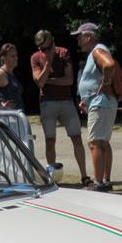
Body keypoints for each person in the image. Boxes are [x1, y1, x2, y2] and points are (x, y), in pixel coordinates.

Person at [30, 29, 89, 186]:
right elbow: (39, 82)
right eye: (42, 49)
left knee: (76, 137)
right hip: (47, 102)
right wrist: (48, 63)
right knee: (50, 141)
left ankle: (84, 176)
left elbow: (69, 80)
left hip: (66, 101)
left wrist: (48, 80)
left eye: (48, 48)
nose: (45, 51)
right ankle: (52, 179)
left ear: (53, 42)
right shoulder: (35, 57)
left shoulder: (64, 53)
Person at [73, 22, 117, 192]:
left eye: (79, 37)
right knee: (103, 142)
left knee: (95, 143)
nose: (78, 41)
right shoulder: (98, 50)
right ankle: (105, 181)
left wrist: (105, 84)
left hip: (101, 103)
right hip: (102, 103)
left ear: (88, 37)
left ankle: (98, 184)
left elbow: (109, 65)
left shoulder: (97, 51)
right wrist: (86, 99)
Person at [0, 43, 25, 111]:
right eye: (12, 56)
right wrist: (0, 107)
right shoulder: (1, 73)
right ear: (4, 58)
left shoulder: (10, 73)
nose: (16, 58)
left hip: (16, 114)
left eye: (16, 55)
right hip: (10, 116)